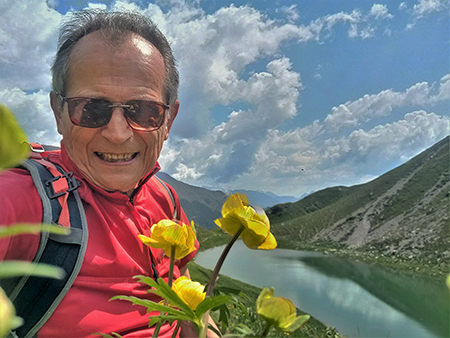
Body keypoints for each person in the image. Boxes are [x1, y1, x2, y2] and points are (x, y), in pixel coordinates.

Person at [0, 9, 218, 338]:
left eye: (143, 111)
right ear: (59, 114)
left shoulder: (166, 199)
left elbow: (182, 283)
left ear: (168, 120)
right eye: (92, 109)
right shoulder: (24, 196)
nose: (117, 133)